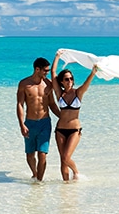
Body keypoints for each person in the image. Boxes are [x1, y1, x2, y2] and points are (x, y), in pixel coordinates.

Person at [48, 49, 97, 182]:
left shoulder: (78, 93)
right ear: (62, 82)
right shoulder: (60, 94)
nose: (69, 80)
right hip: (60, 130)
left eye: (71, 78)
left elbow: (87, 83)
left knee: (66, 157)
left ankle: (76, 173)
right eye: (66, 79)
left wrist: (93, 72)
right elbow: (53, 74)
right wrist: (57, 56)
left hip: (75, 130)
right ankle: (66, 186)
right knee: (62, 161)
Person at [16, 57, 53, 181]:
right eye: (45, 70)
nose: (47, 73)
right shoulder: (24, 84)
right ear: (37, 69)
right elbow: (20, 104)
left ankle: (39, 183)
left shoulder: (48, 84)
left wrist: (63, 116)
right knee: (30, 155)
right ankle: (35, 174)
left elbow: (52, 103)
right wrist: (22, 124)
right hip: (30, 123)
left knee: (42, 154)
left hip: (45, 122)